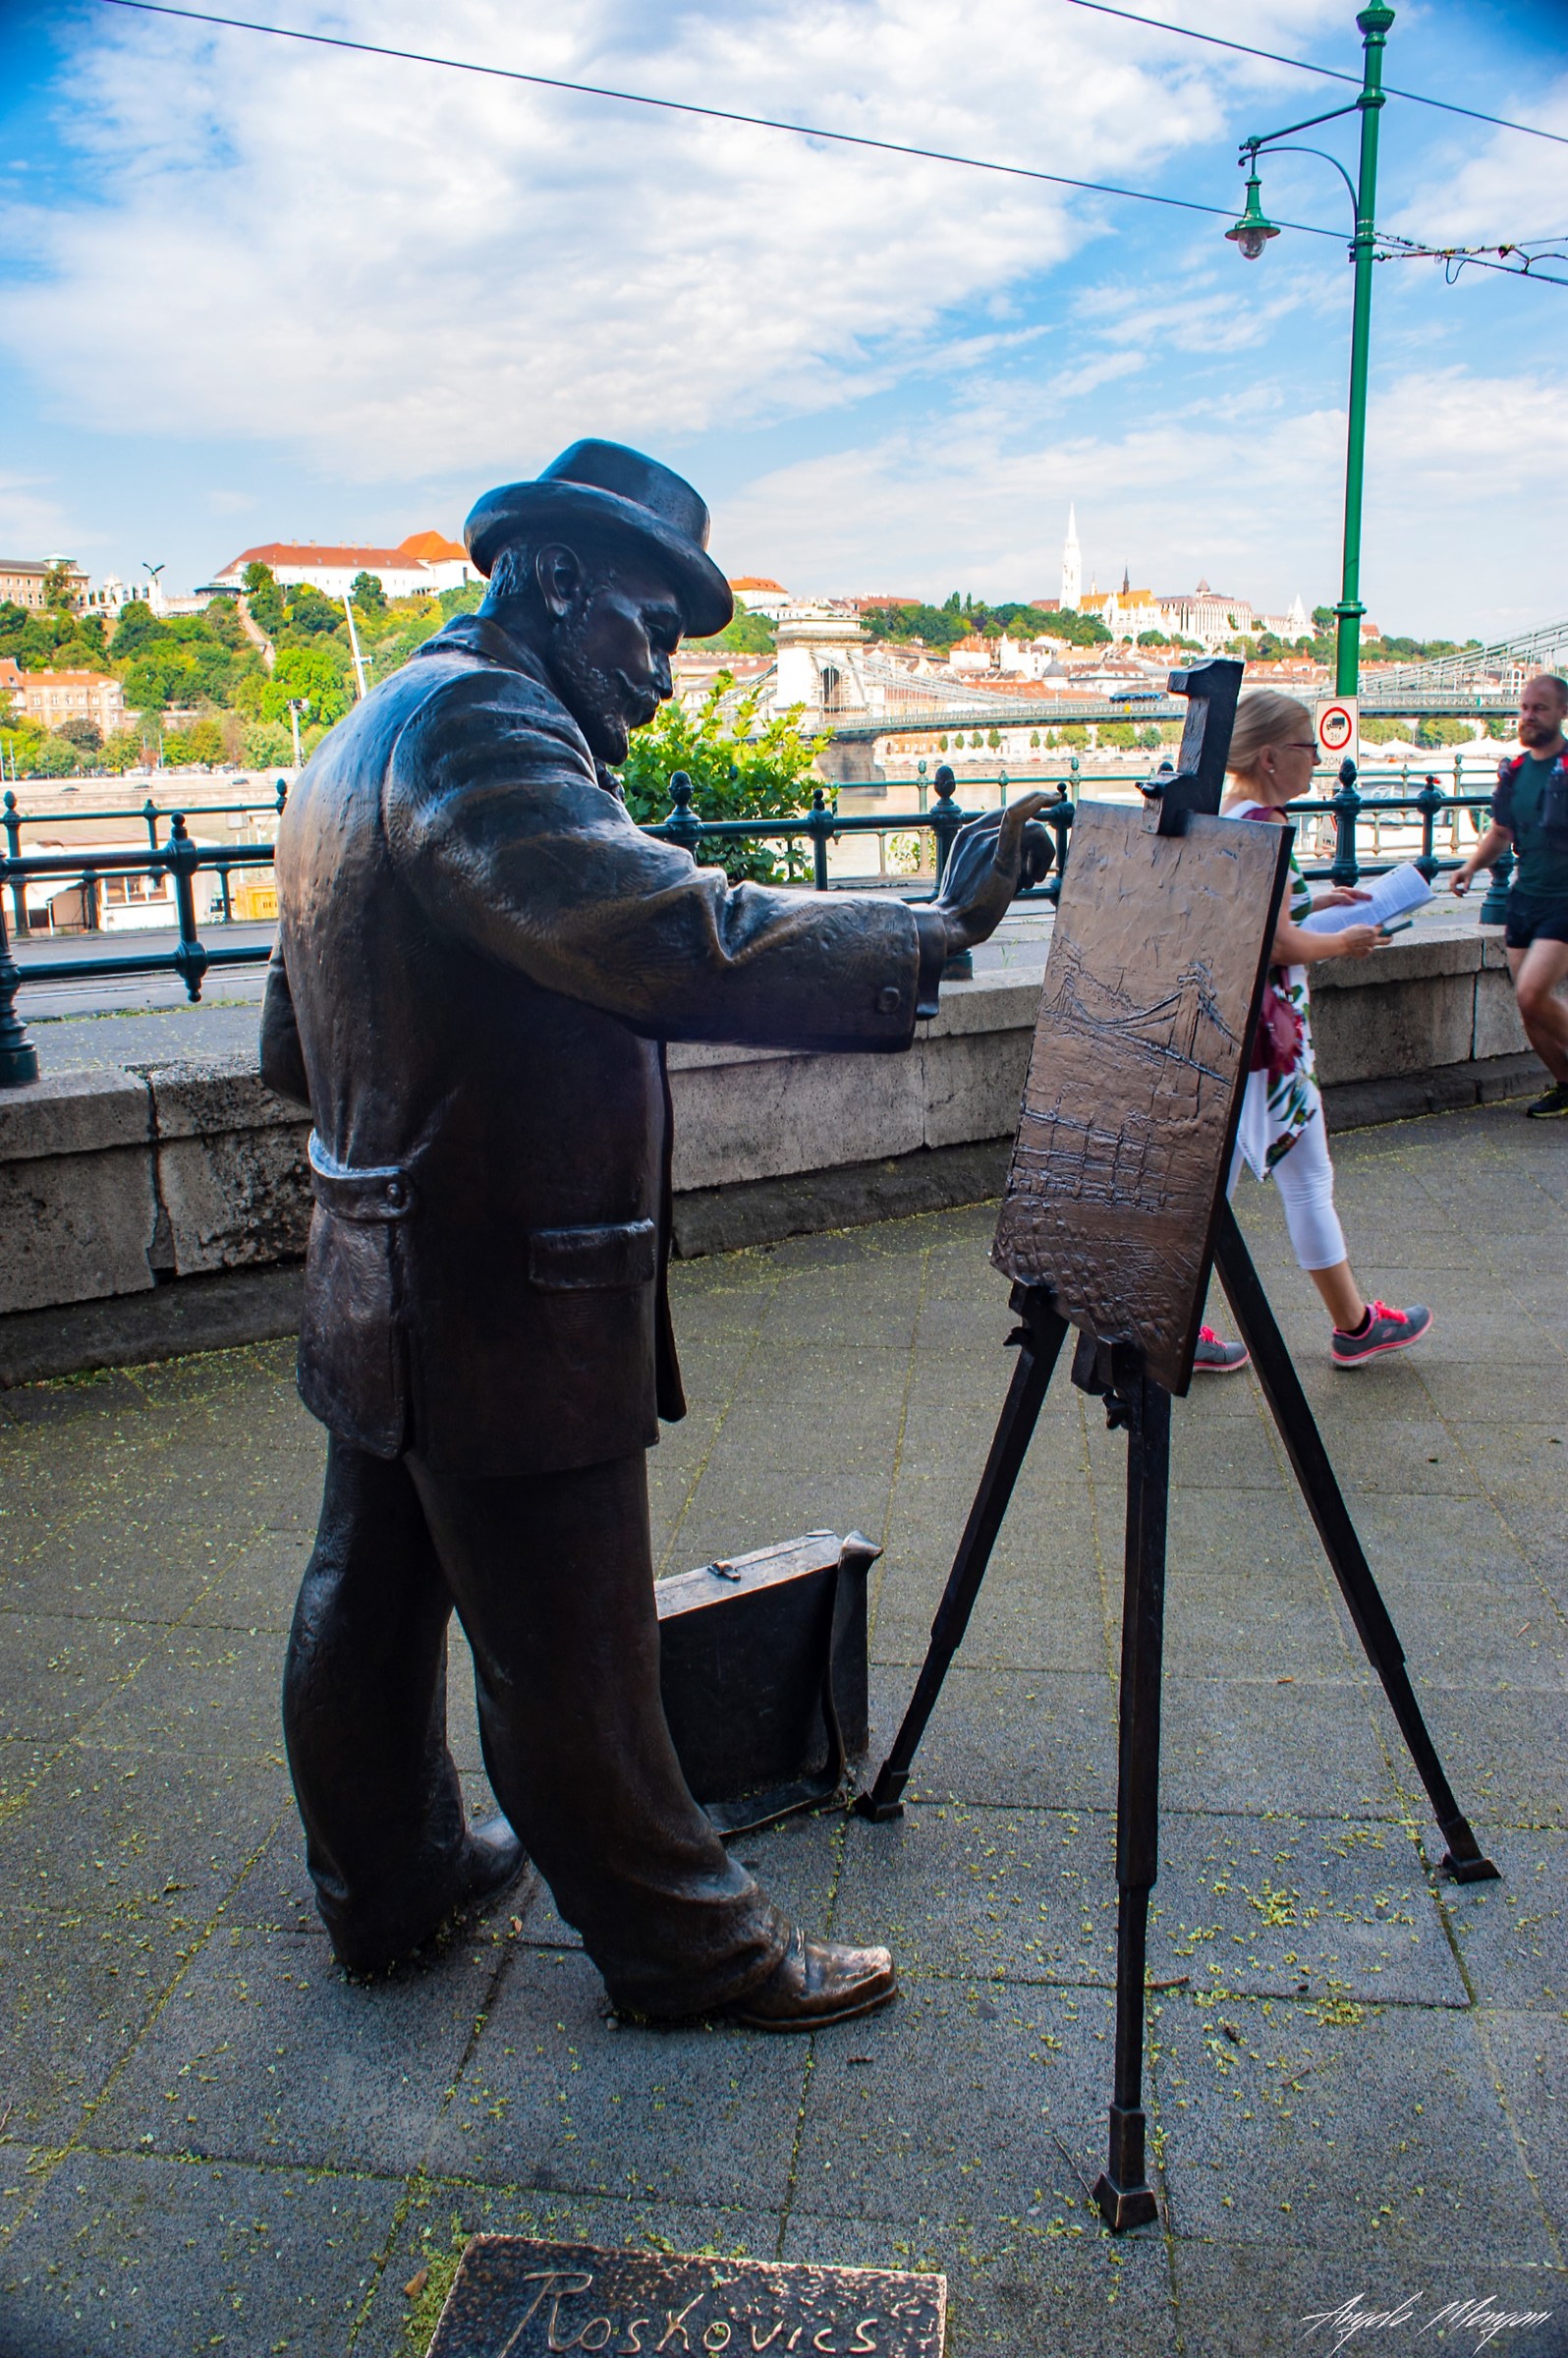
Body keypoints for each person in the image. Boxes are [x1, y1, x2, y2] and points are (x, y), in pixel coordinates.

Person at [259, 439, 1050, 2029]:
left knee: (372, 1586)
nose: (671, 677)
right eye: (653, 626)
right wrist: (934, 927)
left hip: (376, 1250)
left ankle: (392, 1878)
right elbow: (654, 924)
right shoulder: (482, 725)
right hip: (498, 1280)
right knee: (574, 1648)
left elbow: (295, 1042)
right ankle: (691, 1953)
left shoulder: (363, 728)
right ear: (555, 581)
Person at [1194, 690, 1433, 1374]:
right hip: (1270, 1046)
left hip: (1237, 1033)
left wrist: (1319, 902)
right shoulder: (1265, 826)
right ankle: (1352, 1327)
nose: (1319, 761)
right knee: (1291, 1184)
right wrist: (1347, 941)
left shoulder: (1232, 816)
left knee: (1227, 1192)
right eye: (1308, 747)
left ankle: (1344, 1323)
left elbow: (1261, 913)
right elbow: (1271, 944)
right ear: (1271, 757)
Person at [1449, 672, 1568, 1119]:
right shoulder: (1515, 772)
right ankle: (1565, 1086)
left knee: (1532, 993)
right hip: (1525, 897)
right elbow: (1500, 832)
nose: (1528, 715)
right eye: (1524, 707)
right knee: (1530, 1010)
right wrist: (1470, 866)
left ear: (1562, 712)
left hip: (1564, 899)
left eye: (1539, 707)